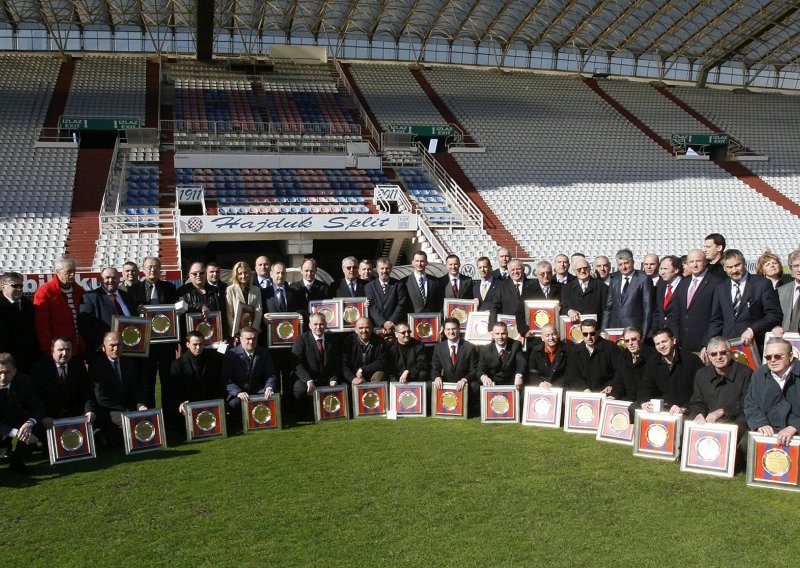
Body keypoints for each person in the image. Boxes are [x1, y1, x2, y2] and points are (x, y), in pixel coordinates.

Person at [707, 249, 782, 350]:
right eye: (729, 267)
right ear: (724, 268)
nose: (734, 270)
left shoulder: (762, 284)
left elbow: (774, 315)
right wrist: (707, 344)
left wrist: (752, 330)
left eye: (737, 265)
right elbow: (717, 320)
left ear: (744, 263)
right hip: (729, 347)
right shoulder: (720, 287)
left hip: (755, 345)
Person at [130, 256, 179, 409]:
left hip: (166, 343)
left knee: (168, 381)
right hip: (145, 344)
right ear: (143, 269)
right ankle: (150, 415)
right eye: (149, 267)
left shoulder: (170, 288)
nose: (152, 269)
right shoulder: (133, 290)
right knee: (147, 382)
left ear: (160, 269)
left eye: (156, 266)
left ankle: (169, 416)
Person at [88, 332, 147, 445]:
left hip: (126, 408)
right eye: (112, 345)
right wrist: (125, 410)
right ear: (104, 347)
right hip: (107, 409)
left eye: (119, 345)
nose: (116, 348)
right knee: (130, 425)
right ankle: (102, 437)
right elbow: (101, 398)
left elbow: (135, 389)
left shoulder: (128, 362)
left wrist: (140, 406)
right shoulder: (97, 366)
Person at [744, 337, 800, 447]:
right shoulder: (759, 373)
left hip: (796, 430)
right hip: (768, 429)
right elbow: (750, 403)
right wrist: (760, 423)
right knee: (744, 446)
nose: (772, 360)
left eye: (778, 356)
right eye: (768, 357)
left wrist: (794, 427)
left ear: (790, 356)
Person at [689, 337, 751, 432]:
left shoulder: (746, 373)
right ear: (709, 356)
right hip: (708, 424)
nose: (719, 357)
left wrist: (723, 411)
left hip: (735, 425)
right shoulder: (701, 374)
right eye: (714, 354)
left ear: (730, 353)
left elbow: (747, 403)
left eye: (723, 352)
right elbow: (697, 402)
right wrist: (698, 414)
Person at [30, 337, 93, 428]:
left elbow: (86, 391)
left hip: (75, 416)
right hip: (49, 418)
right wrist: (43, 417)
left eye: (68, 350)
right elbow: (35, 396)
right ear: (52, 351)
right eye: (60, 350)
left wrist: (89, 410)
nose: (65, 353)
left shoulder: (78, 365)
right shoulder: (39, 368)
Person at [639, 328, 703, 414]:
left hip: (686, 408)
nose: (661, 346)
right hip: (663, 407)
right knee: (633, 408)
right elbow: (645, 386)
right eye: (657, 344)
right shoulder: (653, 361)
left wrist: (684, 408)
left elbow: (700, 392)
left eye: (664, 341)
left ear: (673, 340)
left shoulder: (692, 360)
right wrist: (643, 402)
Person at [0, 353, 45, 474]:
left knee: (33, 421)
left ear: (14, 371)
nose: (3, 377)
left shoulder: (23, 381)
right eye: (0, 372)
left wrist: (29, 424)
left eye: (7, 372)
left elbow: (39, 408)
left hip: (9, 416)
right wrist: (18, 433)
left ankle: (17, 461)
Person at [290, 313, 342, 418]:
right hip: (308, 379)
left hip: (327, 378)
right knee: (299, 390)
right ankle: (305, 414)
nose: (318, 327)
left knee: (344, 388)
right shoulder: (301, 340)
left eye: (321, 324)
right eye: (315, 324)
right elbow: (296, 363)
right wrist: (308, 380)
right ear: (310, 325)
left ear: (326, 324)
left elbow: (336, 362)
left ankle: (332, 412)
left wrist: (333, 379)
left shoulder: (332, 340)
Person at [220, 327, 278, 419]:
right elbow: (226, 379)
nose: (251, 342)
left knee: (271, 398)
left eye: (254, 339)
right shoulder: (231, 354)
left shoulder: (264, 353)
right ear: (240, 339)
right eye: (248, 339)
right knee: (235, 404)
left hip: (258, 390)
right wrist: (238, 392)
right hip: (238, 393)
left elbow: (271, 374)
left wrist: (269, 388)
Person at [33, 256, 84, 356]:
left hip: (77, 349)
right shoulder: (45, 292)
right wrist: (48, 348)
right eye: (68, 271)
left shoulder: (80, 291)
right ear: (58, 271)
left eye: (74, 271)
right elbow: (41, 324)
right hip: (57, 351)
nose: (72, 274)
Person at [171, 331, 222, 427]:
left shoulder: (213, 359)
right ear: (187, 344)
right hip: (189, 403)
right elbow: (175, 389)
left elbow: (217, 383)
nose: (198, 348)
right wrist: (181, 402)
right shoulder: (177, 364)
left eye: (201, 344)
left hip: (209, 401)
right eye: (195, 345)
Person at [79, 266, 134, 354]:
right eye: (107, 278)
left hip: (129, 348)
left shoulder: (127, 297)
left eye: (114, 278)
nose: (110, 281)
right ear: (101, 279)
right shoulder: (90, 297)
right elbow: (86, 327)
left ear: (119, 279)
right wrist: (103, 345)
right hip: (104, 352)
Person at [674, 249, 721, 352]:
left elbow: (717, 318)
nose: (694, 265)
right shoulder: (683, 284)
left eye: (698, 261)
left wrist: (707, 342)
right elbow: (677, 313)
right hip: (684, 344)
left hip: (705, 345)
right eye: (691, 262)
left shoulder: (716, 283)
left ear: (705, 262)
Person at [602, 249, 654, 337]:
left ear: (632, 262)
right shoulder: (614, 281)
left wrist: (644, 333)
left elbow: (647, 308)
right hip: (615, 330)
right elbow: (608, 308)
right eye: (620, 264)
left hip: (635, 330)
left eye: (626, 263)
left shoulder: (644, 279)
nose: (623, 267)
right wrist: (603, 331)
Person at [177, 261, 229, 338]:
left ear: (205, 274)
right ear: (189, 275)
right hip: (191, 338)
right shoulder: (182, 291)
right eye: (195, 273)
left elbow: (223, 315)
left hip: (213, 336)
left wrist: (225, 336)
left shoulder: (216, 291)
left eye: (201, 273)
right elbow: (179, 309)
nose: (198, 275)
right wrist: (200, 306)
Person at [0, 272, 39, 372]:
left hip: (28, 359)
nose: (19, 288)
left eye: (21, 285)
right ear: (3, 287)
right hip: (5, 361)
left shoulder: (28, 305)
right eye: (14, 285)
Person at [474, 322, 526, 398]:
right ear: (492, 335)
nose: (500, 337)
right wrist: (483, 377)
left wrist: (519, 376)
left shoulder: (516, 345)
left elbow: (521, 363)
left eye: (503, 333)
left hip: (512, 382)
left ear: (507, 334)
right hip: (492, 384)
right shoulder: (485, 349)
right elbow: (480, 369)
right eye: (497, 334)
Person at [566, 319, 618, 393]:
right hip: (584, 393)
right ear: (581, 333)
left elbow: (619, 372)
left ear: (598, 332)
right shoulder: (574, 351)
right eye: (585, 334)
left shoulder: (611, 348)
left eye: (592, 333)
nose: (588, 337)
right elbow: (573, 375)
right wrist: (584, 389)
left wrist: (611, 385)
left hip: (607, 393)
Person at [609, 327, 656, 402]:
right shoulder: (622, 357)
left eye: (633, 339)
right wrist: (614, 395)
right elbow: (619, 381)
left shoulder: (653, 356)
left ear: (642, 339)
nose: (630, 343)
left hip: (649, 401)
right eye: (627, 341)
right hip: (629, 399)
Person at [431, 318, 478, 394]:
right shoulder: (439, 347)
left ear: (459, 329)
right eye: (448, 329)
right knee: (431, 385)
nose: (451, 332)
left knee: (475, 386)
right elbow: (435, 369)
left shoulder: (469, 347)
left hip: (464, 381)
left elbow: (474, 369)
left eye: (454, 329)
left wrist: (465, 379)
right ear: (444, 331)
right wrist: (437, 377)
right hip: (446, 381)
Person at [562, 256, 607, 328]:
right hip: (574, 330)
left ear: (589, 269)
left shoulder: (602, 287)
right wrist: (569, 311)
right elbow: (563, 308)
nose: (582, 271)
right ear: (574, 271)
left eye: (585, 268)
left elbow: (606, 311)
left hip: (595, 330)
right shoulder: (567, 288)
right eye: (579, 269)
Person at [365, 257, 407, 333]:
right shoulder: (369, 286)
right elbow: (372, 306)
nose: (384, 271)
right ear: (377, 269)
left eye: (387, 268)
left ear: (391, 269)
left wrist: (391, 322)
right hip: (377, 326)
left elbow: (401, 304)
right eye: (382, 268)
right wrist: (383, 323)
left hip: (395, 326)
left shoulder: (398, 284)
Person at [341, 317, 386, 384]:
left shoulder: (380, 342)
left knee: (380, 374)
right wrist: (352, 378)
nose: (364, 330)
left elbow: (381, 361)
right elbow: (344, 365)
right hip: (353, 375)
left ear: (372, 328)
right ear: (356, 330)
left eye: (367, 327)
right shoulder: (348, 342)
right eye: (361, 328)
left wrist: (363, 370)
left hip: (371, 374)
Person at [526, 324, 570, 388]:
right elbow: (531, 372)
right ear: (542, 338)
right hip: (542, 387)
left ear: (558, 335)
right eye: (547, 335)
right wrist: (540, 383)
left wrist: (554, 386)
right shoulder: (535, 351)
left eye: (554, 334)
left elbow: (569, 374)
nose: (551, 338)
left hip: (561, 387)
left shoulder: (567, 351)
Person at [225, 261, 264, 334]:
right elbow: (229, 314)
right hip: (237, 333)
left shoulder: (256, 289)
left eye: (245, 272)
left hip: (253, 332)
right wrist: (236, 331)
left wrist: (253, 330)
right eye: (240, 273)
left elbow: (259, 311)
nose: (243, 276)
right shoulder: (230, 289)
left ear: (249, 273)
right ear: (236, 275)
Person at [650, 255, 682, 338]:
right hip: (661, 335)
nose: (662, 272)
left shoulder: (685, 285)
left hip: (679, 335)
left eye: (665, 269)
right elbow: (657, 311)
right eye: (661, 269)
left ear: (676, 270)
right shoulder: (661, 286)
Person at [773, 250, 800, 337]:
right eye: (796, 266)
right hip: (784, 340)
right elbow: (774, 316)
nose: (799, 269)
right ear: (791, 268)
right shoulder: (780, 291)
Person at [473, 256, 503, 324]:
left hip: (496, 322)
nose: (482, 270)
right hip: (479, 323)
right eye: (480, 267)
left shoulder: (500, 284)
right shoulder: (475, 286)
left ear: (490, 267)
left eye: (485, 267)